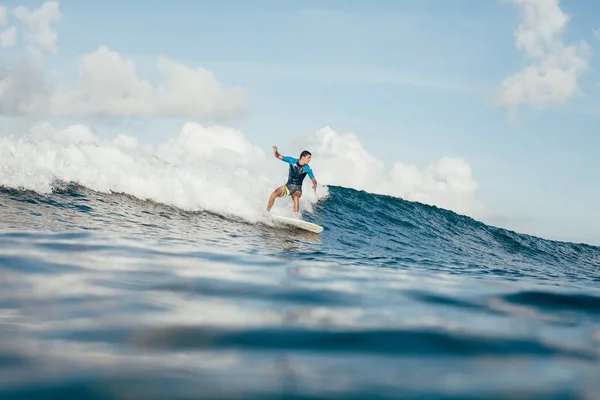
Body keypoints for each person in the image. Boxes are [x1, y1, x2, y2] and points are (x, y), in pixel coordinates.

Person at [266, 146, 317, 217]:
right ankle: (267, 213)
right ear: (303, 157)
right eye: (308, 158)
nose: (309, 160)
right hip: (288, 187)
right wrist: (275, 151)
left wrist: (314, 185)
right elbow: (278, 156)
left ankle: (296, 218)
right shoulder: (291, 160)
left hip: (298, 189)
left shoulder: (307, 168)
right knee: (273, 194)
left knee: (296, 197)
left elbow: (314, 180)